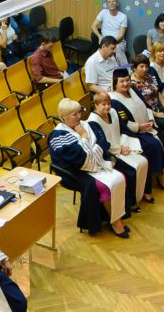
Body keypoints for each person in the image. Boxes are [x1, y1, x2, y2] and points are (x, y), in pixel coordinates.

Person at [49, 98, 132, 238]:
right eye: (74, 114)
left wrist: (91, 152)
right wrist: (84, 138)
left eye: (79, 112)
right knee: (104, 187)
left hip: (94, 165)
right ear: (64, 117)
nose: (79, 116)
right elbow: (79, 158)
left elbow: (102, 142)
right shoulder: (58, 136)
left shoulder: (84, 125)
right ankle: (115, 222)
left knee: (120, 177)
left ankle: (114, 216)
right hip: (74, 172)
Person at [109, 69, 164, 185]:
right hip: (130, 133)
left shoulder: (134, 91)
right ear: (115, 83)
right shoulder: (113, 100)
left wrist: (151, 119)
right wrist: (139, 127)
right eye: (121, 81)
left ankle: (156, 170)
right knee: (154, 144)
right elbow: (122, 123)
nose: (125, 84)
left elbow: (147, 107)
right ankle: (160, 174)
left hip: (146, 127)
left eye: (127, 80)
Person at [87, 90, 152, 207]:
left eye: (109, 103)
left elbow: (123, 128)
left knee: (145, 160)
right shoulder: (93, 121)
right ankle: (131, 203)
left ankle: (145, 192)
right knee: (131, 171)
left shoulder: (112, 112)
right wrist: (119, 149)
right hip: (108, 154)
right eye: (103, 104)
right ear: (96, 105)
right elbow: (102, 144)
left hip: (120, 144)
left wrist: (126, 143)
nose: (107, 107)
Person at [93, 0, 130, 66]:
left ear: (117, 3)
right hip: (105, 41)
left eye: (113, 1)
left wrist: (111, 43)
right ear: (107, 5)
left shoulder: (123, 16)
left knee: (116, 49)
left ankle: (126, 70)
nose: (111, 3)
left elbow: (121, 35)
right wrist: (99, 36)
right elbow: (93, 26)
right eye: (109, 2)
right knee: (101, 55)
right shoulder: (103, 12)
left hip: (118, 42)